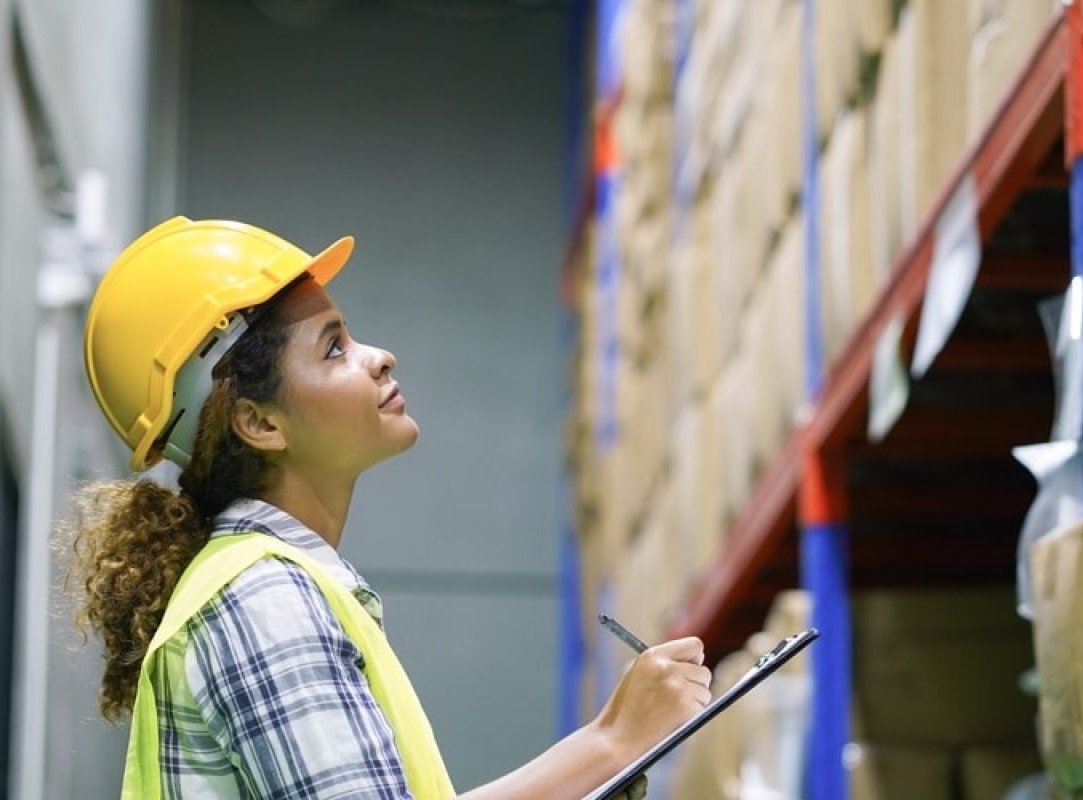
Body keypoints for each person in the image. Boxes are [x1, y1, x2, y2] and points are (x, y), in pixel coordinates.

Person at [68, 217, 711, 799]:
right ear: (258, 422)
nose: (380, 358)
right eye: (334, 348)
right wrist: (611, 741)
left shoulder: (279, 588)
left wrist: (603, 759)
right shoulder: (262, 597)